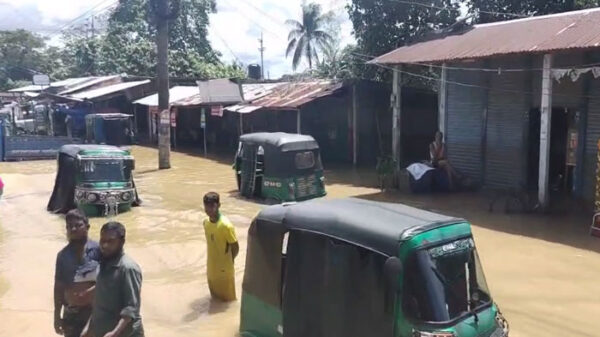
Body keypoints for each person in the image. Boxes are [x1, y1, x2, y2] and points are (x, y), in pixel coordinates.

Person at [84, 222, 144, 337]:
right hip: (102, 330)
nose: (105, 245)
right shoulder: (104, 264)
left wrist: (115, 333)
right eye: (102, 240)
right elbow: (99, 303)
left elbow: (131, 308)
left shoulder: (128, 268)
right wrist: (88, 330)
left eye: (110, 241)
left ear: (122, 242)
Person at [54, 209, 100, 337]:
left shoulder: (99, 250)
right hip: (71, 314)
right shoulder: (62, 256)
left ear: (87, 227)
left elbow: (110, 281)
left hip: (95, 312)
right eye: (69, 227)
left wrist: (89, 292)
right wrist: (57, 315)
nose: (73, 229)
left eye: (77, 225)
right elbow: (58, 287)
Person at [203, 192, 239, 302]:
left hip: (224, 269)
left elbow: (235, 247)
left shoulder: (226, 226)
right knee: (215, 299)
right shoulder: (205, 223)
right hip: (211, 268)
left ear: (218, 206)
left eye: (212, 206)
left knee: (229, 301)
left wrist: (229, 260)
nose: (209, 209)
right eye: (206, 206)